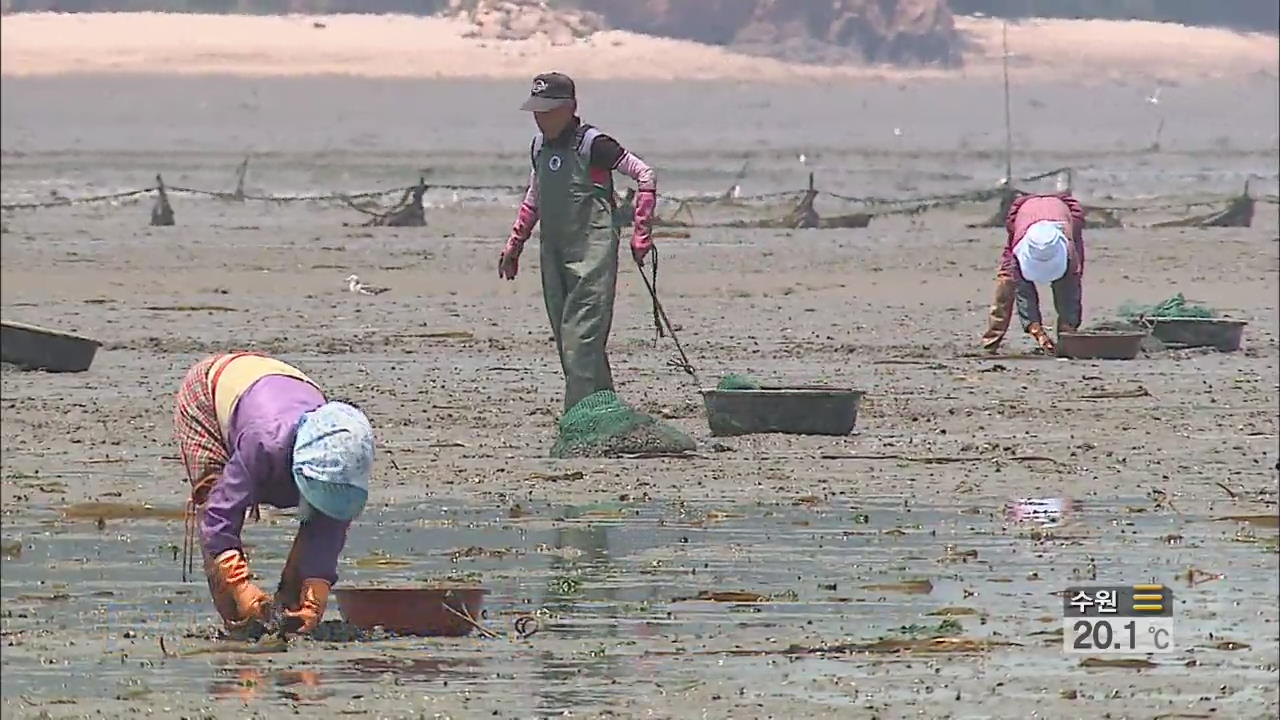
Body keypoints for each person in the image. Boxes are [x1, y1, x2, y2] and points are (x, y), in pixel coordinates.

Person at [173, 351, 374, 634]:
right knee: (213, 496)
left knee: (322, 518)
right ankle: (237, 623)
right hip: (211, 388)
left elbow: (328, 525)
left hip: (288, 386)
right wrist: (239, 586)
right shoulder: (264, 445)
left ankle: (288, 610)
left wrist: (316, 589)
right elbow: (219, 516)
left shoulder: (344, 453)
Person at [498, 72, 657, 411]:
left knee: (580, 340)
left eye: (549, 110)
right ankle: (603, 408)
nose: (541, 118)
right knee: (566, 339)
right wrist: (515, 244)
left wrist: (641, 233)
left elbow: (645, 175)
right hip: (553, 252)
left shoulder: (594, 144)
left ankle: (577, 415)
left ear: (570, 108)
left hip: (592, 252)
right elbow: (535, 196)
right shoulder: (539, 147)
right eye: (537, 111)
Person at [980, 192, 1086, 353]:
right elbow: (1023, 294)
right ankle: (990, 342)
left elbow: (1071, 290)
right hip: (1024, 220)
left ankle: (1067, 337)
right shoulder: (1019, 245)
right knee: (1007, 282)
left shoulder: (1069, 245)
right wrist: (1037, 331)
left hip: (1062, 216)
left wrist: (1069, 323)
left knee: (1068, 286)